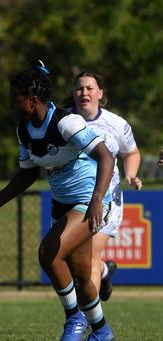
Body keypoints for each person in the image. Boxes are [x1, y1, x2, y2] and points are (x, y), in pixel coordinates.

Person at [0, 61, 115, 341]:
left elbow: (106, 157)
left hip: (89, 200)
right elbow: (28, 172)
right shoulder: (24, 131)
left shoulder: (65, 122)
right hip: (63, 204)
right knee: (82, 275)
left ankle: (74, 318)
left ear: (32, 101)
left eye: (15, 101)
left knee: (49, 253)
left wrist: (97, 200)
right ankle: (101, 330)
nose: (11, 107)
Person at [70, 71, 142, 302]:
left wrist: (130, 175)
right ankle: (105, 271)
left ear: (100, 93)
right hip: (73, 199)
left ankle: (91, 323)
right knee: (76, 259)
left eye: (90, 88)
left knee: (89, 258)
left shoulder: (116, 124)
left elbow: (130, 152)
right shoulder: (64, 121)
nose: (84, 93)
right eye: (80, 88)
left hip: (108, 200)